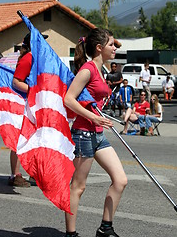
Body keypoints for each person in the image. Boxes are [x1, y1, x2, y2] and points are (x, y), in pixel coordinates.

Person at [64, 29, 127, 237]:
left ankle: (105, 228)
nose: (115, 48)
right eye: (112, 45)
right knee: (78, 187)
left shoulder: (102, 70)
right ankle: (70, 234)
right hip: (83, 133)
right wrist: (92, 117)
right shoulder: (88, 69)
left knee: (120, 180)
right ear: (99, 48)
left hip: (98, 134)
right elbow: (69, 99)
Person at [8, 33, 48, 187]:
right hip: (24, 104)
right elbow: (16, 82)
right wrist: (34, 92)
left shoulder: (38, 59)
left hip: (35, 105)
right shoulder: (28, 58)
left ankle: (33, 173)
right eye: (41, 41)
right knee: (20, 140)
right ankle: (15, 175)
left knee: (35, 139)